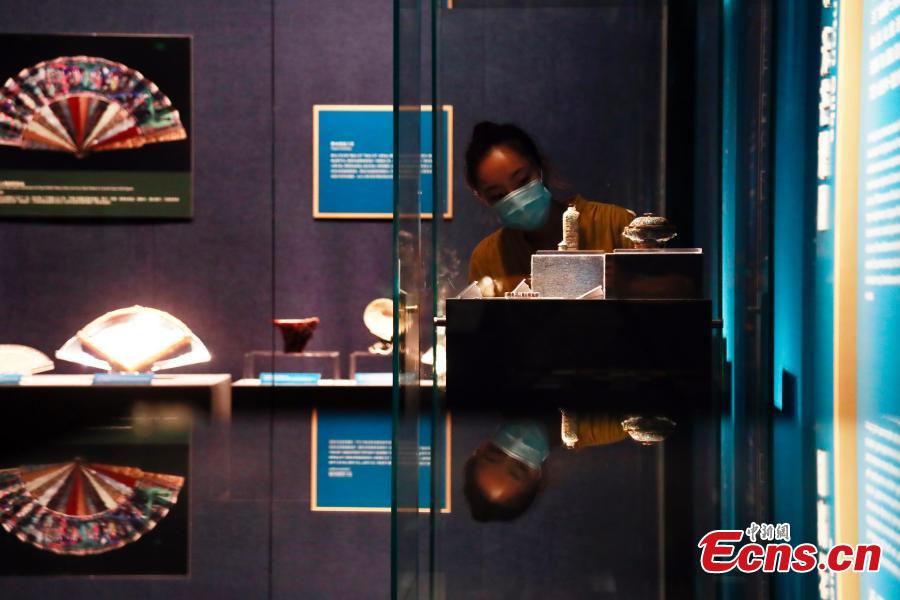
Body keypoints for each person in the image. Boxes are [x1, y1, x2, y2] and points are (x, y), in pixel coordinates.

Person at [465, 122, 637, 295]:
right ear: (482, 198)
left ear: (540, 167)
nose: (516, 201)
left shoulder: (615, 224)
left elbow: (652, 290)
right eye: (498, 195)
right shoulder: (487, 258)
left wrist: (625, 283)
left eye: (523, 181)